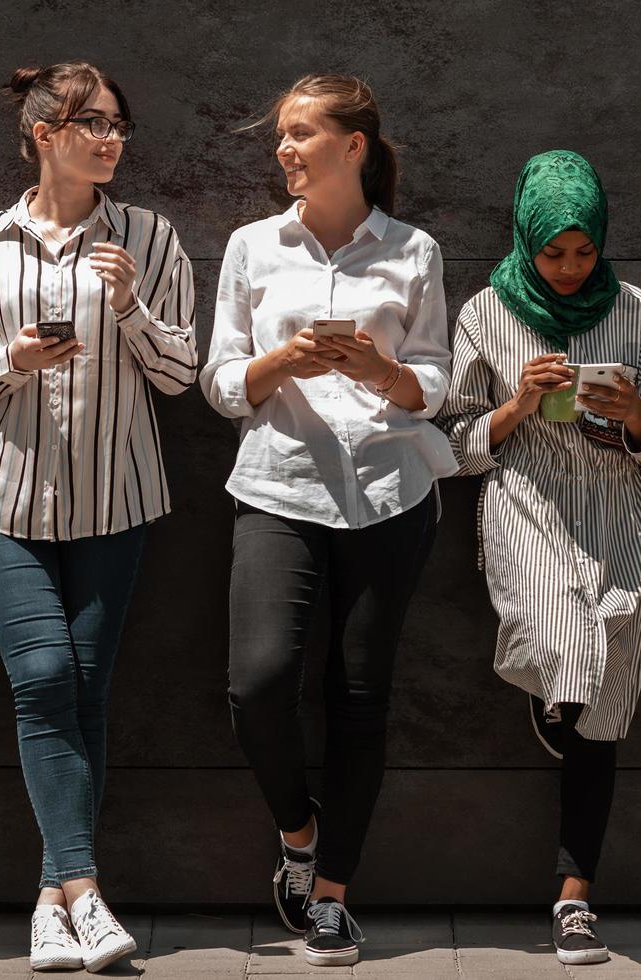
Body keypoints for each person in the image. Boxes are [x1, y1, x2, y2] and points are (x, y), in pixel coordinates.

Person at [0, 62, 197, 974]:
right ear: (44, 134)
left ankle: (53, 902)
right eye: (93, 124)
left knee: (84, 692)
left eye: (120, 124)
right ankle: (87, 890)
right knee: (44, 677)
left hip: (114, 499)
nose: (112, 139)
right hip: (2, 498)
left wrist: (128, 305)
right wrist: (11, 359)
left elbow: (180, 375)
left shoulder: (150, 238)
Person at [200, 73, 456, 968]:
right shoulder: (251, 247)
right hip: (281, 486)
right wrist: (287, 359)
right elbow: (223, 381)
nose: (285, 150)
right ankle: (297, 832)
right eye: (281, 136)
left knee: (360, 700)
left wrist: (377, 369)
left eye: (302, 134)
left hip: (390, 494)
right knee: (259, 683)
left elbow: (437, 382)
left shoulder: (412, 250)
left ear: (354, 146)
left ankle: (334, 899)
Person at [437, 149, 641, 966]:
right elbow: (458, 448)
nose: (572, 269)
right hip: (528, 505)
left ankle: (574, 898)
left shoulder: (640, 312)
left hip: (620, 510)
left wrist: (635, 417)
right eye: (554, 253)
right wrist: (516, 402)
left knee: (608, 692)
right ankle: (557, 692)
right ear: (525, 239)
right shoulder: (484, 312)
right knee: (567, 648)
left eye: (584, 252)